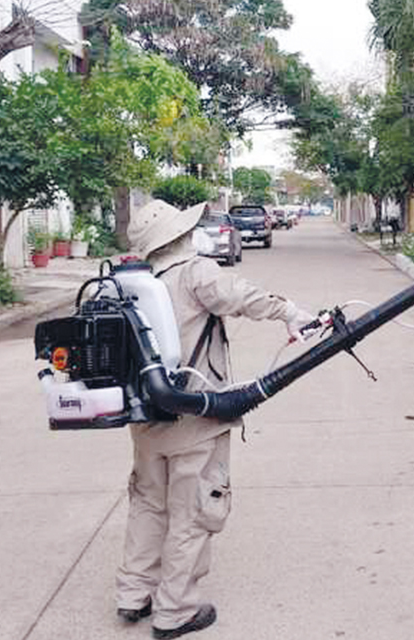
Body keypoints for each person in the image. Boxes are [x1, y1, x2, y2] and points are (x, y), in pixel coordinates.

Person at [115, 200, 317, 638]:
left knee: (148, 504)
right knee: (193, 513)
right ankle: (175, 611)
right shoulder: (194, 271)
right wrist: (291, 313)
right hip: (195, 418)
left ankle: (133, 594)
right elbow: (241, 297)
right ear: (181, 236)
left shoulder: (134, 283)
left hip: (147, 419)